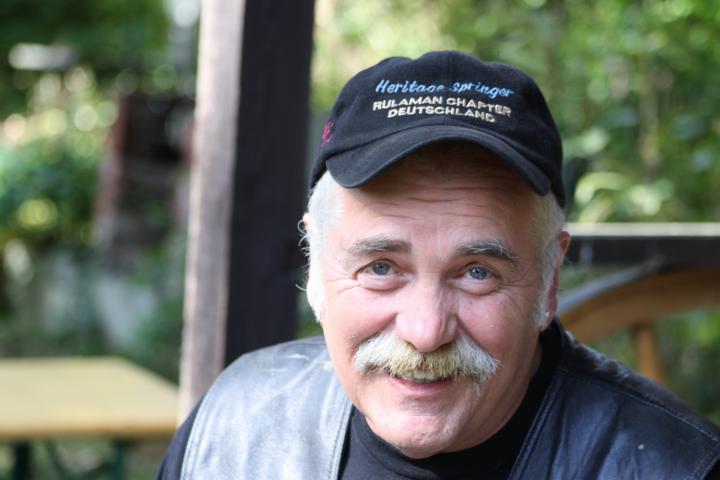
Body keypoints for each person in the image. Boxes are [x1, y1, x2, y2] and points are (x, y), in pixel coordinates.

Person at [159, 51, 720, 479]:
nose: (426, 333)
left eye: (477, 273)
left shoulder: (678, 468)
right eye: (381, 268)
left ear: (549, 282)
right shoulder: (232, 429)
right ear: (317, 262)